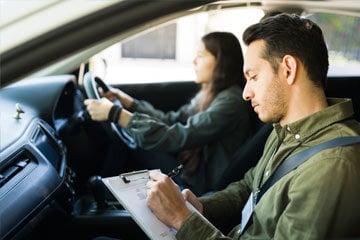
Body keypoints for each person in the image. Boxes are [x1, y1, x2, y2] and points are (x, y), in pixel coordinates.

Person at [144, 13, 360, 239]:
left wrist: (183, 219)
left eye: (253, 76)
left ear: (288, 69)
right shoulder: (286, 131)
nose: (246, 93)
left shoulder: (331, 165)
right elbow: (250, 186)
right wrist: (199, 206)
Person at [84, 32, 254, 195]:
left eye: (201, 56)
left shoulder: (230, 102)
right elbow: (170, 120)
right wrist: (129, 103)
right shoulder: (209, 94)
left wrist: (117, 115)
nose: (194, 61)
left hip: (201, 186)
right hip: (192, 173)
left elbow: (178, 136)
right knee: (136, 141)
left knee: (137, 144)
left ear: (221, 62)